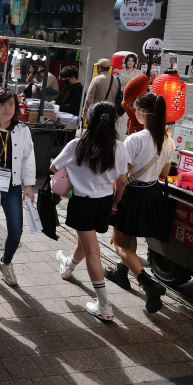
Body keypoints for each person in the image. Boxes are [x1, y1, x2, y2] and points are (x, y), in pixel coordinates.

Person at [54, 101, 130, 320]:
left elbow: (53, 168)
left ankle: (104, 306)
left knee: (92, 251)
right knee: (86, 241)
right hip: (105, 201)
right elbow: (122, 182)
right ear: (114, 121)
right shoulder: (119, 147)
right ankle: (68, 266)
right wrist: (115, 203)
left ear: (89, 118)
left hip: (83, 202)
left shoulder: (76, 146)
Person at [106, 92, 174, 313]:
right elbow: (164, 173)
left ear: (143, 113)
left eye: (136, 109)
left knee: (120, 244)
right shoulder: (168, 140)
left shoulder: (134, 139)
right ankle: (122, 273)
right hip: (152, 194)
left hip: (132, 195)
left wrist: (114, 203)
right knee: (130, 238)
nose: (135, 113)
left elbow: (122, 179)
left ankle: (148, 284)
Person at [0, 89, 36, 286]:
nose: (7, 109)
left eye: (11, 104)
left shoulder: (22, 129)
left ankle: (5, 261)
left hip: (13, 187)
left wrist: (29, 185)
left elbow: (28, 158)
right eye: (3, 105)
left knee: (16, 230)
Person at [114, 53, 143, 139]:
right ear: (125, 62)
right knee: (119, 121)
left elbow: (134, 82)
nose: (130, 63)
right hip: (121, 99)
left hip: (133, 100)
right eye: (128, 61)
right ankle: (119, 141)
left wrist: (122, 75)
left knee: (131, 123)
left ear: (135, 63)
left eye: (132, 61)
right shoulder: (120, 71)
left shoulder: (138, 72)